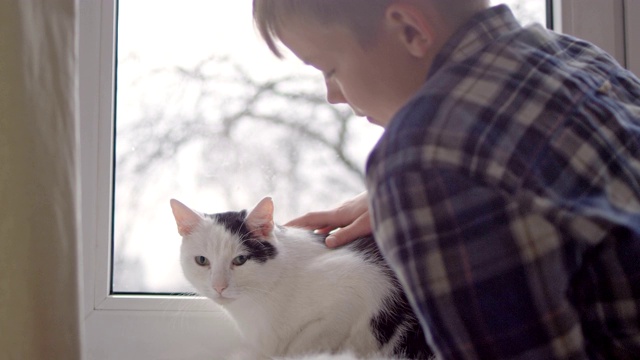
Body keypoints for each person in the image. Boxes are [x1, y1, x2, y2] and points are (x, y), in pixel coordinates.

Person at [252, 0, 640, 358]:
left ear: (410, 30)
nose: (331, 95)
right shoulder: (575, 57)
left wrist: (411, 187)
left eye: (329, 69)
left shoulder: (424, 160)